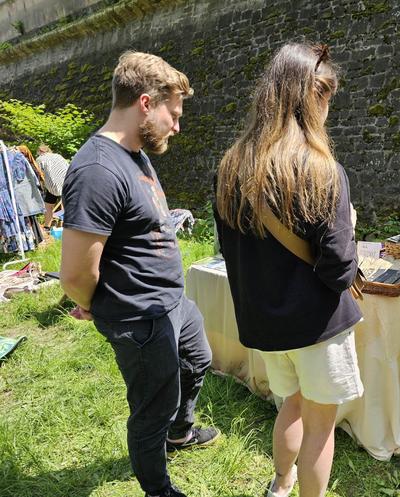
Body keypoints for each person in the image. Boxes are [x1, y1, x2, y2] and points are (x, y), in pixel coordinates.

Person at [60, 51, 217, 497]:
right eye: (175, 113)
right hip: (139, 317)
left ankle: (180, 433)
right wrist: (95, 304)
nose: (178, 126)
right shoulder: (97, 170)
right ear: (146, 104)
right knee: (153, 408)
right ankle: (158, 490)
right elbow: (73, 272)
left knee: (197, 360)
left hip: (171, 303)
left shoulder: (134, 153)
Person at [215, 42, 363, 497]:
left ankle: (281, 484)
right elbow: (339, 270)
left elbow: (228, 250)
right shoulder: (321, 169)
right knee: (320, 427)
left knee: (290, 406)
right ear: (311, 96)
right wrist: (351, 227)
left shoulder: (230, 167)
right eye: (326, 98)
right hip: (317, 325)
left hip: (267, 326)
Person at [36, 143, 69, 228]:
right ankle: (68, 226)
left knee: (48, 206)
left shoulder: (40, 159)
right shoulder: (57, 156)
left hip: (52, 185)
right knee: (67, 205)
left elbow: (39, 174)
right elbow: (67, 166)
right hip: (67, 181)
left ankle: (48, 227)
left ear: (40, 151)